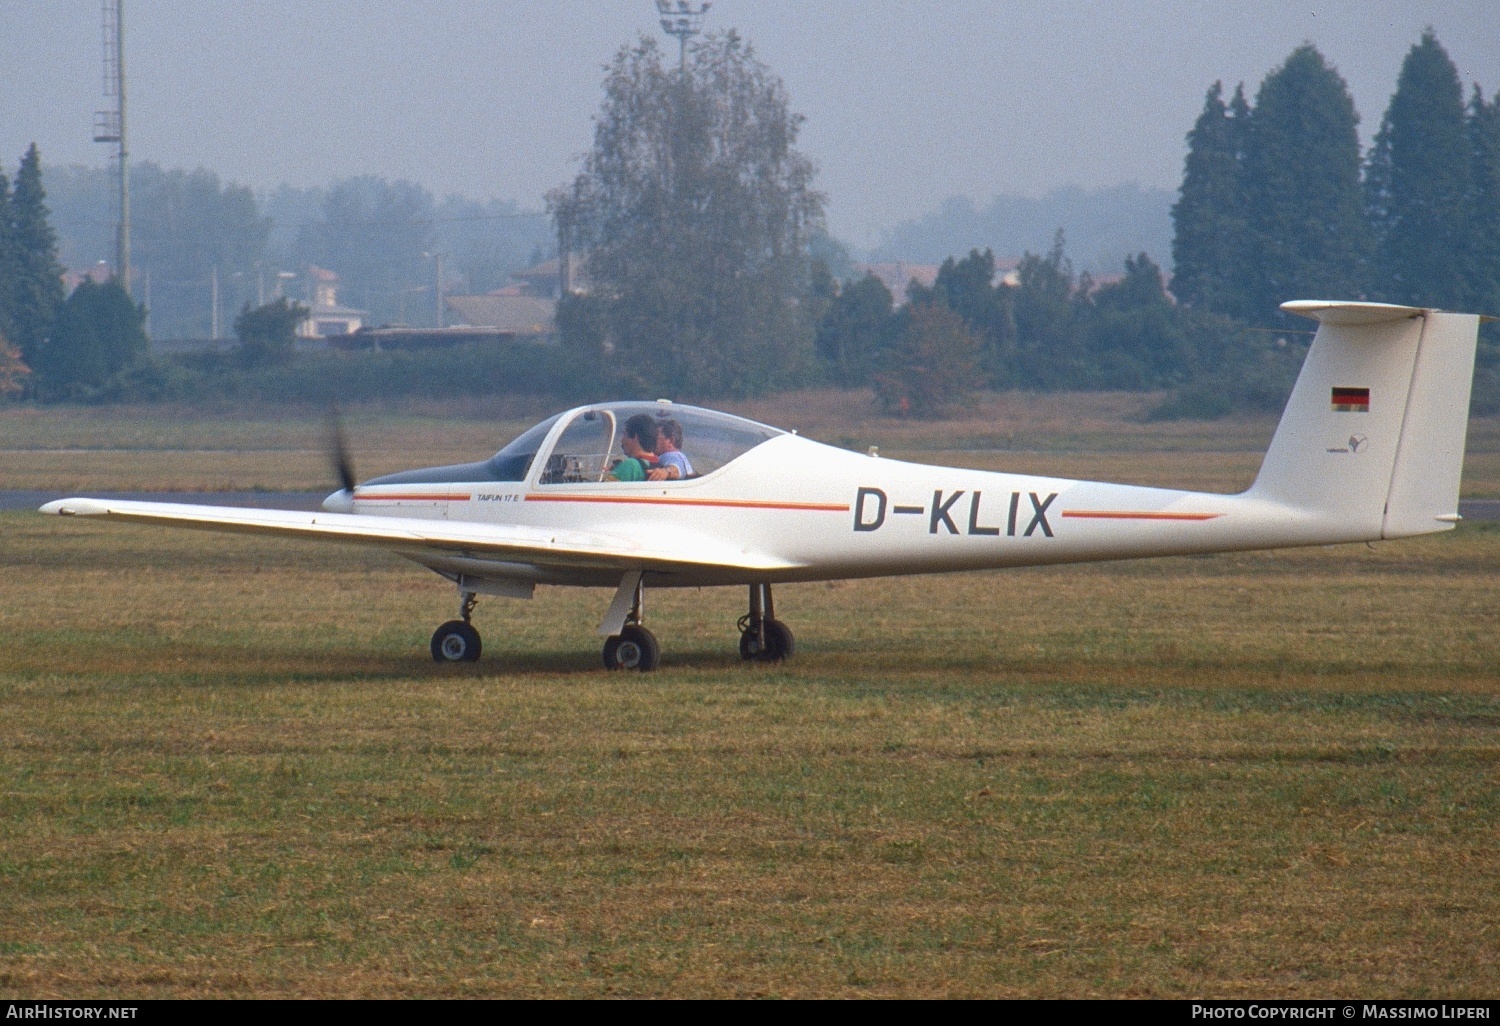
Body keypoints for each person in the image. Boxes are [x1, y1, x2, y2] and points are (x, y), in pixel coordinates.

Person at [608, 414, 659, 482]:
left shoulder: (630, 465)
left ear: (635, 437)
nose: (622, 440)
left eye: (625, 434)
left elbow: (604, 490)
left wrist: (618, 470)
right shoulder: (659, 463)